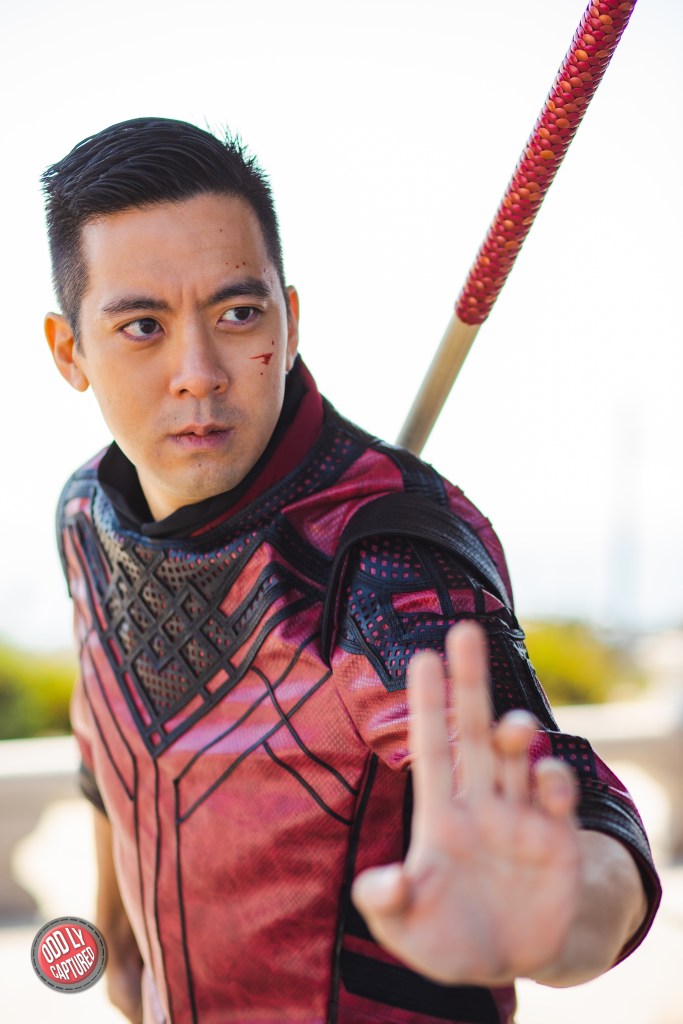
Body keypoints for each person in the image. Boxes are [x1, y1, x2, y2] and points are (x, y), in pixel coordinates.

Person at [42, 117, 660, 1024]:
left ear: (290, 319)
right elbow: (107, 729)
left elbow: (562, 804)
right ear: (69, 352)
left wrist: (563, 915)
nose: (199, 373)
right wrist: (116, 931)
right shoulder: (85, 513)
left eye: (238, 314)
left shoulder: (383, 557)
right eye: (143, 326)